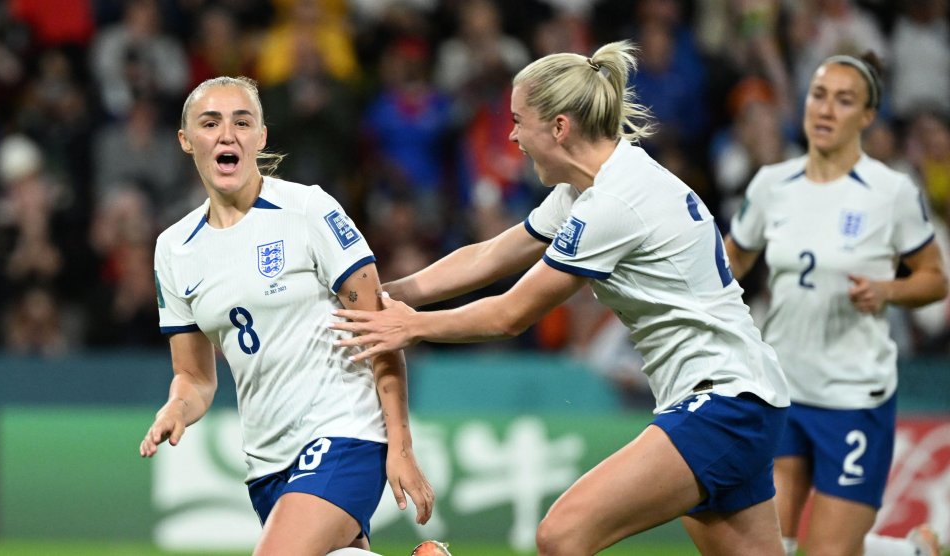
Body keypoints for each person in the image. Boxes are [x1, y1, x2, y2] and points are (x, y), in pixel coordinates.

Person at [330, 41, 791, 556]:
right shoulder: (594, 186)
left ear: (559, 127)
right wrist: (379, 293)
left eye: (517, 120)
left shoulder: (612, 203)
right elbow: (488, 257)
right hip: (741, 398)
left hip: (721, 404)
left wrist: (411, 326)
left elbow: (512, 314)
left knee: (562, 535)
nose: (511, 136)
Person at [138, 76, 435, 556]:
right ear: (186, 140)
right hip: (267, 461)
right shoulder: (173, 248)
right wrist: (176, 407)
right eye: (210, 123)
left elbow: (380, 328)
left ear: (261, 137)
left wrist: (400, 447)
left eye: (242, 122)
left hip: (344, 432)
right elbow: (194, 377)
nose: (227, 135)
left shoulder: (308, 209)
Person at [723, 54, 947, 556]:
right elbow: (732, 258)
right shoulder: (771, 185)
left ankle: (911, 552)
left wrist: (889, 290)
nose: (825, 110)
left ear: (867, 117)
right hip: (781, 390)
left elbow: (935, 280)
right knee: (767, 548)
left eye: (844, 101)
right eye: (819, 96)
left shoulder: (890, 193)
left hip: (852, 397)